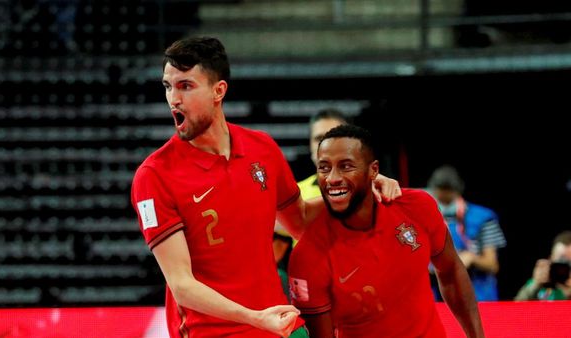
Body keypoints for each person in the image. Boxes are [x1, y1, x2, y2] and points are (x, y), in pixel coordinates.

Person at [130, 36, 400, 338]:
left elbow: (299, 221)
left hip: (278, 323)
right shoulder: (154, 176)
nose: (173, 99)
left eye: (186, 86)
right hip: (212, 331)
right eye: (168, 86)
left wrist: (359, 188)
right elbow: (182, 286)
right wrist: (254, 318)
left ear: (218, 91)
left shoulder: (262, 149)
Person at [288, 124, 484, 338]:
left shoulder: (417, 207)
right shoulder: (308, 256)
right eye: (324, 167)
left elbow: (451, 272)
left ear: (373, 170)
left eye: (346, 166)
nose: (333, 177)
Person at [273, 108, 350, 297]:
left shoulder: (371, 187)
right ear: (310, 146)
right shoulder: (293, 193)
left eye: (334, 136)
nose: (325, 144)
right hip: (310, 298)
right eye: (318, 138)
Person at [427, 165, 507, 301]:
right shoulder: (426, 218)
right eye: (441, 198)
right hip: (438, 298)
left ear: (457, 191)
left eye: (449, 197)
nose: (445, 202)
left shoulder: (483, 218)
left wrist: (471, 258)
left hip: (478, 296)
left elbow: (492, 264)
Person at [515, 230, 571, 300]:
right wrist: (534, 286)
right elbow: (514, 311)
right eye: (561, 262)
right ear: (550, 261)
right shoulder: (540, 284)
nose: (568, 268)